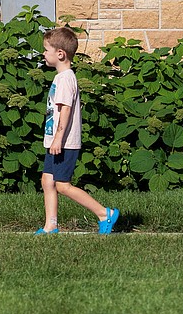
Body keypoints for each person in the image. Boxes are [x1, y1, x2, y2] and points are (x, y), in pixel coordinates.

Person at [36, 26, 120, 235]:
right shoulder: (61, 77)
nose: (44, 54)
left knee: (62, 185)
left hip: (64, 142)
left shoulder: (66, 79)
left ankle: (104, 213)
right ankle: (51, 226)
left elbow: (65, 110)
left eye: (46, 50)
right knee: (47, 180)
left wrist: (58, 138)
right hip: (56, 141)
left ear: (60, 54)